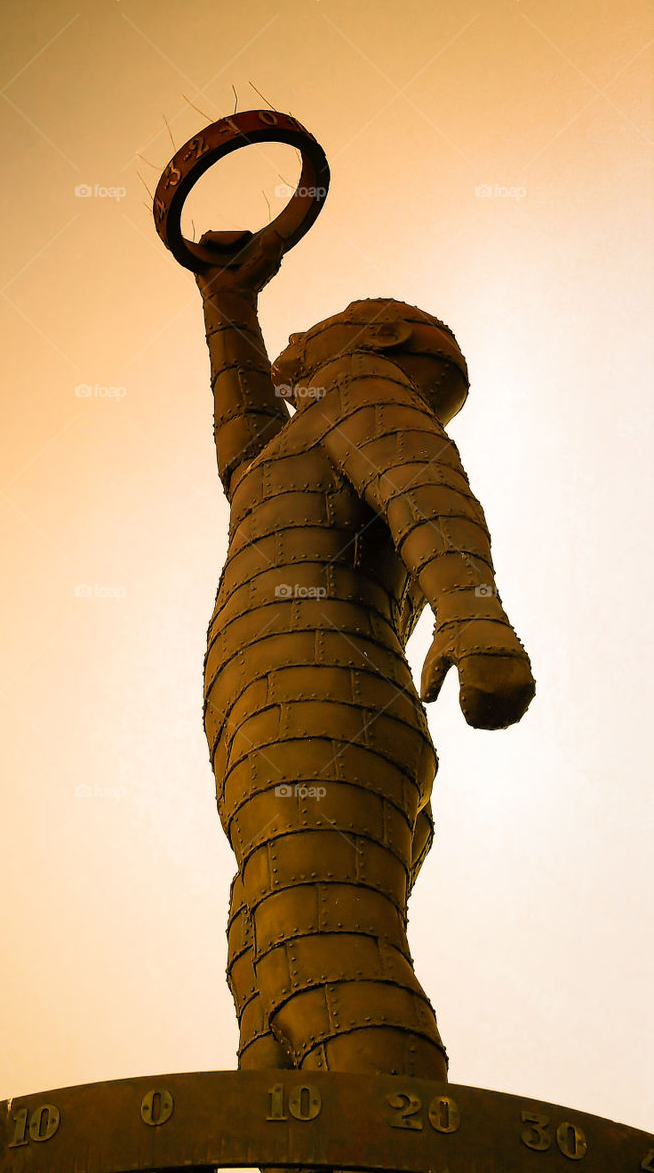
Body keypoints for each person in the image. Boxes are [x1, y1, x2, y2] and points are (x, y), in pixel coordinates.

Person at [196, 226, 535, 1080]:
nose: (293, 348)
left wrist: (477, 627)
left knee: (327, 956)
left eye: (313, 331)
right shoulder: (292, 446)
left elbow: (428, 498)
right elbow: (243, 437)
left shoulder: (362, 391)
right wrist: (228, 303)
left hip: (330, 708)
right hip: (276, 727)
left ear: (378, 339)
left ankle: (403, 1143)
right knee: (272, 966)